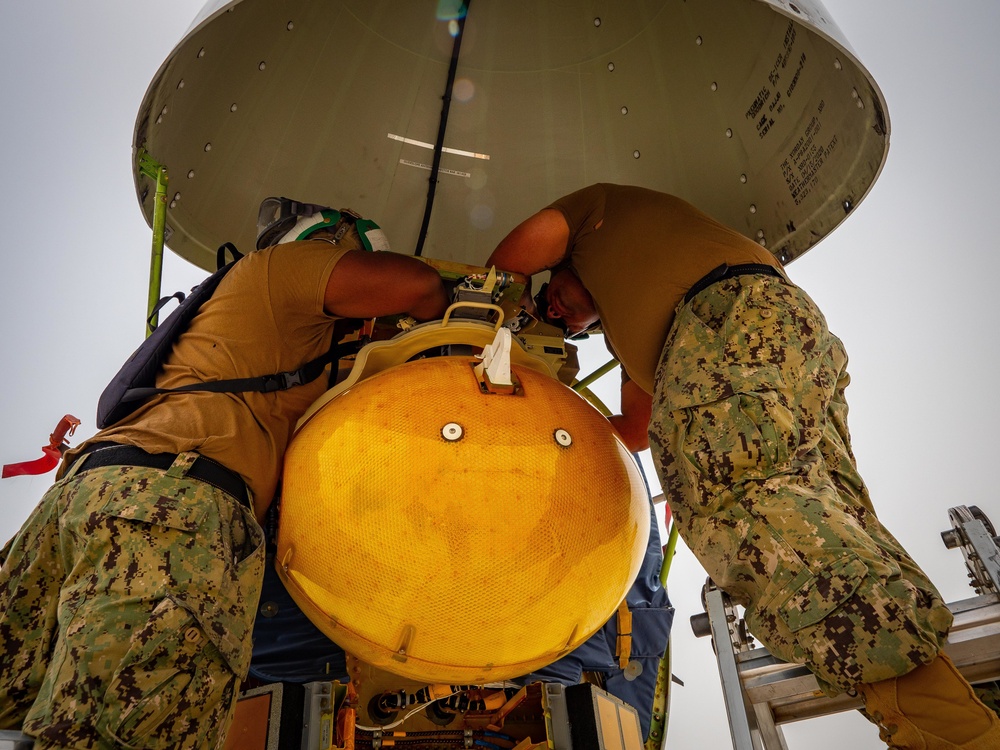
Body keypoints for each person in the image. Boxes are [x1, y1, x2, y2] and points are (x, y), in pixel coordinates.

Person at [487, 182, 1000, 749]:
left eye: (553, 293)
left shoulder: (596, 213)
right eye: (567, 325)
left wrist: (511, 316)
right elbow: (633, 431)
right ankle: (950, 710)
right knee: (827, 513)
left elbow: (502, 269)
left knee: (744, 508)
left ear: (564, 263)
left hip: (728, 320)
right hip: (788, 337)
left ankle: (950, 733)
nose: (558, 313)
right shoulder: (644, 342)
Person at [0, 198, 449, 749]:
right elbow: (419, 286)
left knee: (9, 701)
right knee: (126, 730)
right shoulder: (280, 271)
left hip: (89, 497)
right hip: (173, 512)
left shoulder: (254, 329)